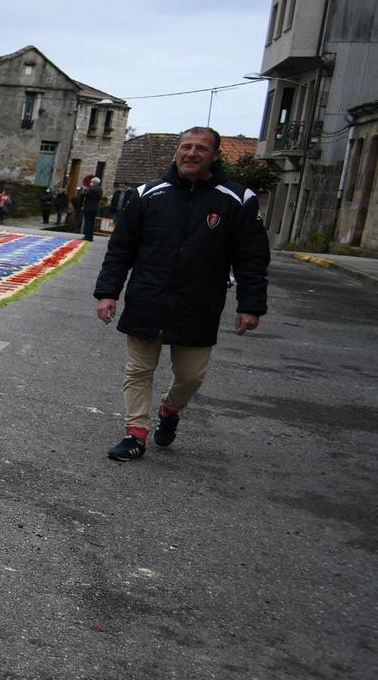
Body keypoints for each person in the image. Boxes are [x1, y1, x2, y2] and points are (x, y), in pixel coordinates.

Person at [93, 127, 269, 462]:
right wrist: (107, 293)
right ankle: (135, 434)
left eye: (201, 149)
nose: (191, 153)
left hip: (198, 304)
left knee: (190, 376)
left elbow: (252, 258)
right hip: (147, 298)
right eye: (185, 147)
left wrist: (251, 305)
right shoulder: (148, 194)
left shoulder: (238, 200)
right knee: (138, 370)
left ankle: (170, 410)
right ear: (176, 152)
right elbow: (121, 249)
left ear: (216, 155)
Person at [79, 173, 103, 241]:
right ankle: (90, 236)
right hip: (95, 208)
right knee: (92, 223)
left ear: (94, 182)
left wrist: (82, 190)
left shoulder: (92, 189)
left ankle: (87, 236)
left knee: (88, 222)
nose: (90, 183)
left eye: (91, 182)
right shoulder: (100, 189)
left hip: (89, 208)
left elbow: (83, 195)